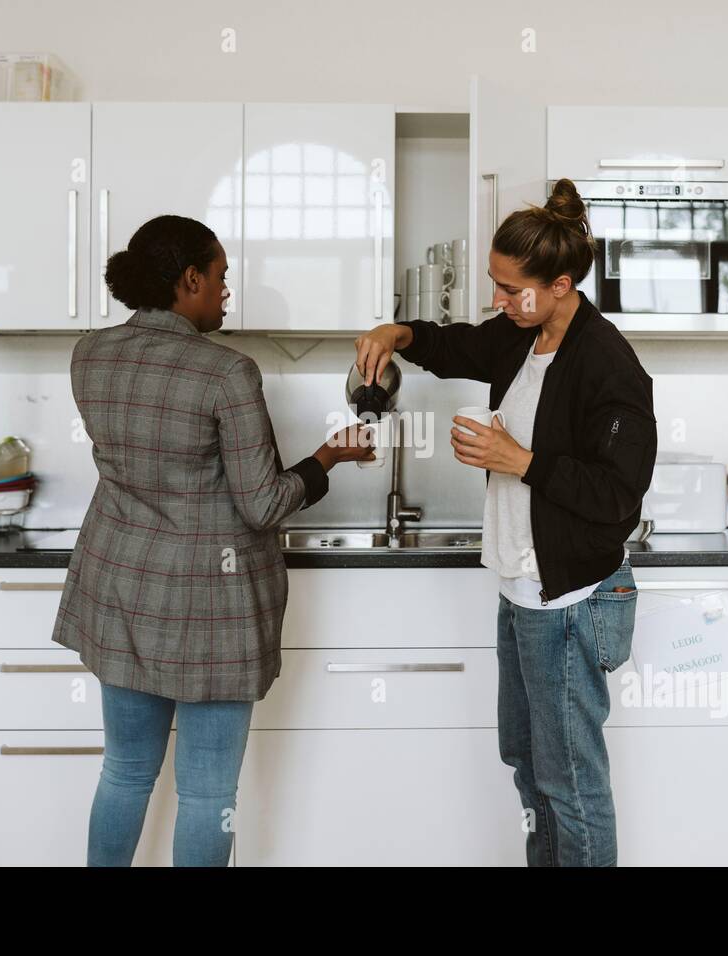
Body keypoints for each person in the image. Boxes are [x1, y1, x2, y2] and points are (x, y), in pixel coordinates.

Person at [353, 179, 657, 866]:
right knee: (528, 766)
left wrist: (520, 460)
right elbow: (459, 346)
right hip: (523, 594)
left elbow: (620, 495)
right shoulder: (522, 336)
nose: (498, 300)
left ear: (559, 284)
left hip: (573, 601)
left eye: (509, 287)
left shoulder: (607, 363)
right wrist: (397, 332)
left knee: (572, 787)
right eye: (494, 283)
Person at [52, 214, 372, 866]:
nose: (228, 292)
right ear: (189, 278)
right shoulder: (226, 372)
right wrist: (327, 460)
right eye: (221, 277)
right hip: (211, 609)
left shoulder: (91, 353)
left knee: (125, 770)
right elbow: (261, 505)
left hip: (121, 592)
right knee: (206, 793)